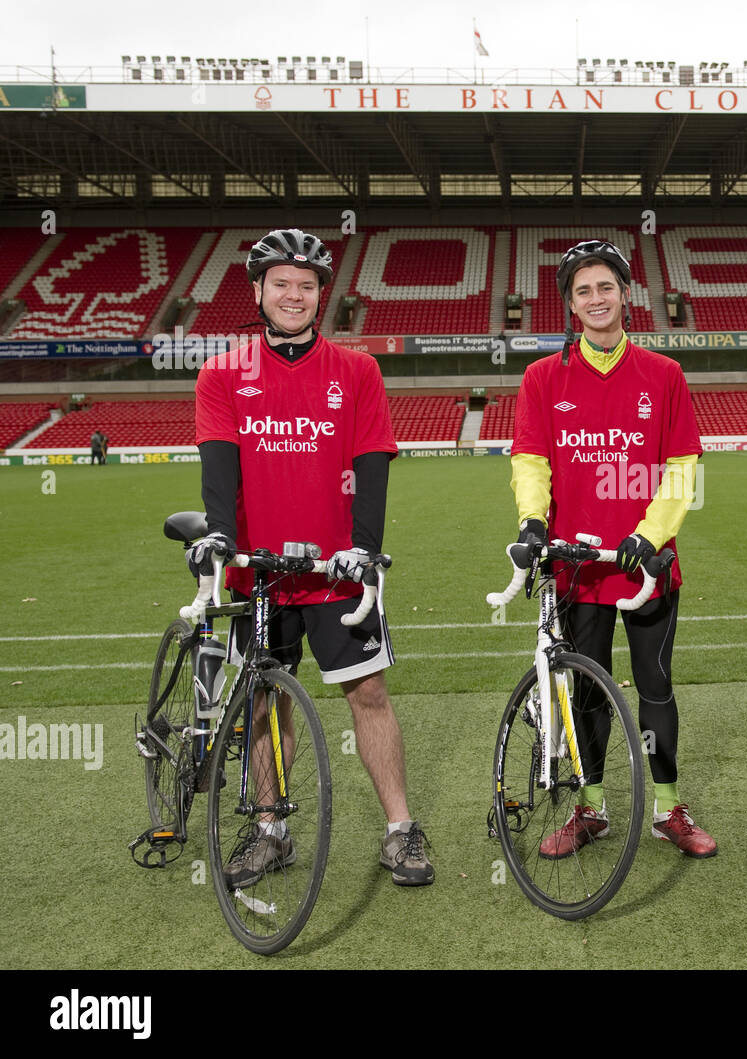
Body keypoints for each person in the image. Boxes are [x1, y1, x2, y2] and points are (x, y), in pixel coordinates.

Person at [186, 227, 433, 887]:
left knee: (370, 692)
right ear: (258, 291)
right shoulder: (222, 372)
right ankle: (270, 830)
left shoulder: (356, 369)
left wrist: (365, 549)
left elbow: (372, 463)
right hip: (258, 571)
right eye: (281, 283)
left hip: (335, 570)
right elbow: (219, 472)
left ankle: (400, 828)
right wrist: (217, 536)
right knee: (265, 701)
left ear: (321, 295)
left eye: (306, 284)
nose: (293, 294)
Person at [508, 239, 716, 858]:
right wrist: (533, 522)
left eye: (605, 287)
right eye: (582, 291)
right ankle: (589, 808)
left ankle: (668, 809)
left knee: (655, 688)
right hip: (578, 568)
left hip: (646, 567)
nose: (596, 300)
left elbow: (682, 465)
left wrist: (648, 535)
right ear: (570, 305)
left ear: (626, 295)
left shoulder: (663, 374)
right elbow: (530, 459)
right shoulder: (544, 377)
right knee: (586, 691)